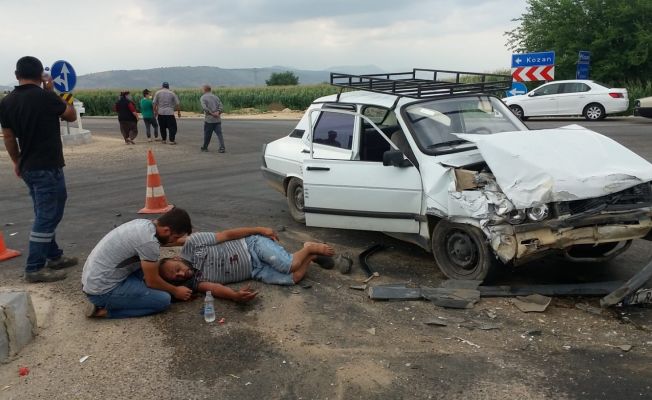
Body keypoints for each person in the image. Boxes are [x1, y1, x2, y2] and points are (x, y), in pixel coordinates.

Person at [0, 56, 78, 283]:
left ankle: (53, 256)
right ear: (40, 76)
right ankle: (34, 267)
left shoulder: (7, 102)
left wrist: (17, 162)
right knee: (47, 214)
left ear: (16, 75)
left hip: (29, 166)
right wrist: (52, 90)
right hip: (48, 166)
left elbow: (8, 137)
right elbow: (71, 115)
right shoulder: (46, 97)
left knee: (45, 212)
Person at [158, 227, 350, 302]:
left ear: (175, 258)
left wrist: (260, 229)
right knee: (294, 278)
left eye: (177, 270)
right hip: (255, 270)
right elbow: (214, 288)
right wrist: (235, 296)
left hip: (252, 246)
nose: (180, 275)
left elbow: (227, 235)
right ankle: (310, 258)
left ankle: (308, 247)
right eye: (176, 278)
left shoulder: (193, 243)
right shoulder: (195, 282)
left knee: (288, 265)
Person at [81, 207, 194, 318]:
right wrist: (175, 291)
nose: (174, 241)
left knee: (154, 268)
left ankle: (131, 295)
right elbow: (152, 282)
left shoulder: (143, 225)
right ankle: (103, 311)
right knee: (163, 300)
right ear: (166, 230)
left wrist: (188, 241)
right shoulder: (149, 242)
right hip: (103, 292)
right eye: (175, 237)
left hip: (94, 280)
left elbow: (160, 242)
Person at [199, 84, 225, 153]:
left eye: (202, 89)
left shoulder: (203, 97)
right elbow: (221, 106)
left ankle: (205, 147)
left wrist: (211, 113)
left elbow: (205, 108)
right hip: (217, 119)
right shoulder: (216, 97)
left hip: (209, 120)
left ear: (205, 90)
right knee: (219, 134)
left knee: (207, 134)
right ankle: (222, 148)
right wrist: (218, 112)